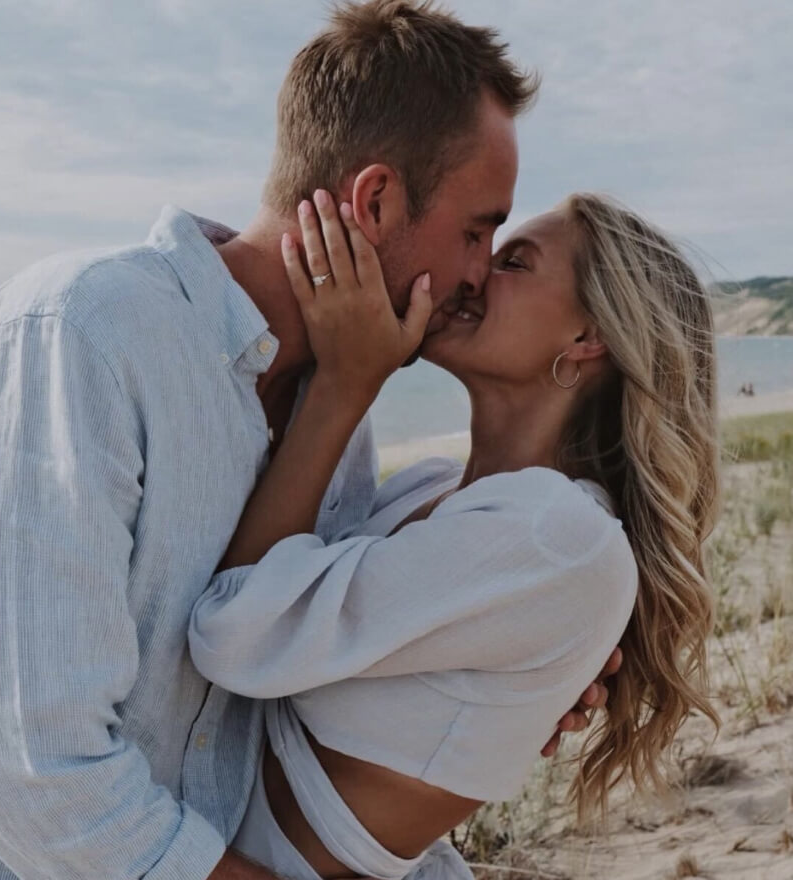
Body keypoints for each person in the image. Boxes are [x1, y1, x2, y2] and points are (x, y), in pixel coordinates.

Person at [0, 3, 613, 878]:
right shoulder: (83, 333)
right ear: (377, 200)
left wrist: (498, 680)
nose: (478, 274)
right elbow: (28, 770)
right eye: (477, 231)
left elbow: (287, 698)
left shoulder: (337, 428)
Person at [187, 191, 721, 879]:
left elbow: (232, 631)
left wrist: (345, 383)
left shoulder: (554, 535)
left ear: (588, 337)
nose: (471, 276)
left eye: (515, 263)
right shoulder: (435, 490)